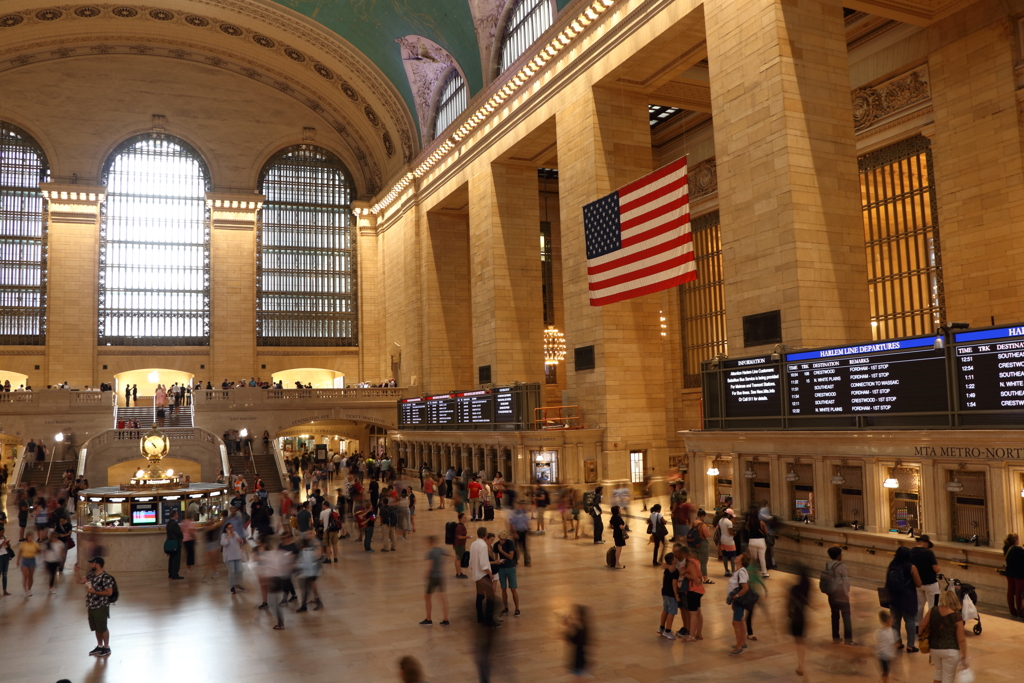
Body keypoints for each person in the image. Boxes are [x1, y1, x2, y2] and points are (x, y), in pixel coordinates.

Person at [919, 589, 969, 683]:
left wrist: (921, 637)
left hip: (934, 648)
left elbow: (922, 625)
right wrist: (964, 655)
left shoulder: (932, 610)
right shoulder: (956, 617)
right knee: (948, 678)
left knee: (938, 672)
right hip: (951, 650)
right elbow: (961, 639)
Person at [73, 557, 115, 657]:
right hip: (91, 605)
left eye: (92, 563)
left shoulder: (106, 577)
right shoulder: (91, 576)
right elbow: (79, 581)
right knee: (96, 627)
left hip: (101, 606)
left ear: (97, 564)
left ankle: (106, 647)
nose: (90, 565)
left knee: (102, 627)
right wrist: (76, 572)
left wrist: (95, 592)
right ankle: (99, 646)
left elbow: (109, 592)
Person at [886, 545, 921, 652]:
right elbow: (918, 583)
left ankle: (897, 642)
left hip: (894, 596)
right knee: (910, 620)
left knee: (895, 621)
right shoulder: (911, 567)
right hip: (907, 597)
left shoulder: (891, 566)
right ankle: (910, 645)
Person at [825, 546, 856, 645]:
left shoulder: (827, 565)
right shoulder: (841, 565)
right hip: (841, 593)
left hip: (831, 594)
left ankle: (835, 637)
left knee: (834, 615)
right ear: (838, 556)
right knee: (846, 616)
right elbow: (845, 580)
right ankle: (848, 639)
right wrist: (847, 591)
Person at [420, 535, 450, 626]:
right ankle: (446, 619)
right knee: (442, 598)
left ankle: (428, 618)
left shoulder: (430, 552)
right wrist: (444, 565)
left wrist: (426, 575)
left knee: (427, 597)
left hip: (433, 577)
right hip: (441, 575)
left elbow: (430, 567)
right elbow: (452, 556)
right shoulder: (441, 550)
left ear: (430, 542)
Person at [469, 526, 496, 626]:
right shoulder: (483, 546)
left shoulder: (473, 544)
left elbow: (471, 561)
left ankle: (480, 617)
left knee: (480, 596)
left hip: (476, 575)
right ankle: (489, 619)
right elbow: (484, 563)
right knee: (490, 597)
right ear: (486, 535)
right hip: (483, 575)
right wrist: (490, 574)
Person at [911, 534, 941, 623]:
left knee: (919, 606)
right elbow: (936, 569)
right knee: (933, 606)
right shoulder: (929, 553)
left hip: (917, 583)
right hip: (930, 583)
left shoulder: (911, 551)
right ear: (926, 543)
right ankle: (931, 625)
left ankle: (918, 626)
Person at [727, 550, 753, 655]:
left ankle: (738, 647)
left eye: (739, 557)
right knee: (740, 621)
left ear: (741, 562)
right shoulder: (739, 571)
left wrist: (735, 596)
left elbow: (745, 588)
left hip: (739, 600)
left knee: (736, 623)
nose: (736, 557)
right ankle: (743, 642)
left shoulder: (741, 572)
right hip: (737, 601)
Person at [788, 566, 811, 675]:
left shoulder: (794, 589)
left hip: (794, 619)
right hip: (803, 618)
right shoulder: (806, 590)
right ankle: (801, 664)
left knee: (798, 643)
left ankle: (800, 665)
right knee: (802, 643)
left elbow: (789, 605)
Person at [494, 529, 520, 616]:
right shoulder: (496, 545)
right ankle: (506, 607)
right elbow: (496, 558)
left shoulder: (510, 543)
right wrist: (498, 562)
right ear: (499, 538)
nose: (503, 541)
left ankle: (517, 608)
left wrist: (501, 551)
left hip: (510, 568)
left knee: (513, 589)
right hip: (501, 569)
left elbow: (511, 556)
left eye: (504, 539)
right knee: (503, 588)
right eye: (501, 539)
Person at [683, 545, 705, 642]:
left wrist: (683, 573)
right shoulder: (696, 561)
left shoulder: (690, 563)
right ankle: (698, 633)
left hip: (693, 589)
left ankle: (691, 636)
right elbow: (699, 575)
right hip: (699, 589)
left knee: (693, 614)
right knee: (698, 612)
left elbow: (694, 576)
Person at [658, 553, 681, 640]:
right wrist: (677, 595)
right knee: (672, 612)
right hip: (671, 594)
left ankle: (661, 627)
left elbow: (664, 578)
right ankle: (668, 631)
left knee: (665, 609)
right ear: (673, 561)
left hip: (664, 591)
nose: (676, 558)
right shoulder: (674, 571)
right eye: (675, 557)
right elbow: (674, 584)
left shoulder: (667, 569)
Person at [564, 604, 589, 680]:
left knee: (578, 678)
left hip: (578, 658)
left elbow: (570, 640)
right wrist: (570, 623)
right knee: (580, 677)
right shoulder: (585, 627)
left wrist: (567, 626)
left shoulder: (580, 630)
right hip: (583, 656)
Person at [221, 522, 247, 593]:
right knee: (231, 571)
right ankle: (232, 586)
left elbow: (240, 541)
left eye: (232, 527)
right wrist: (229, 536)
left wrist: (240, 540)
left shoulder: (235, 533)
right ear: (226, 529)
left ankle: (239, 584)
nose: (231, 529)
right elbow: (224, 543)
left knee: (239, 570)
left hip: (237, 555)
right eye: (229, 528)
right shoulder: (224, 535)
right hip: (229, 556)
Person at [746, 506, 770, 578]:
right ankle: (764, 572)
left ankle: (753, 572)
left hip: (752, 541)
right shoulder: (761, 522)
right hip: (761, 541)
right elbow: (766, 532)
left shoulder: (749, 523)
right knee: (762, 558)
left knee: (753, 558)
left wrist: (748, 520)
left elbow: (746, 528)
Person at [1003, 533, 1024, 616]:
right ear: (1015, 540)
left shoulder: (1005, 547)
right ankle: (1020, 612)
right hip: (1019, 574)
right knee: (1019, 593)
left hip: (1009, 573)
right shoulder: (1017, 549)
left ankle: (1012, 611)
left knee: (1011, 592)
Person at [875, 610, 897, 683]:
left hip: (883, 654)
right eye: (892, 620)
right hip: (884, 655)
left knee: (886, 670)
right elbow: (892, 643)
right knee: (886, 671)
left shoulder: (878, 632)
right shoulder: (891, 632)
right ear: (888, 621)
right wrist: (895, 645)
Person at [693, 509, 714, 584]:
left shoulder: (693, 523)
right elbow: (707, 535)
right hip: (702, 544)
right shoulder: (702, 525)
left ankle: (696, 578)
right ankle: (705, 579)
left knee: (695, 563)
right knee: (703, 563)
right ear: (702, 516)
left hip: (693, 544)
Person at [17, 531, 39, 595]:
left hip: (32, 560)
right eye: (31, 536)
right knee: (25, 576)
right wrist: (18, 561)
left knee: (30, 576)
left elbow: (38, 551)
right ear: (27, 537)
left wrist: (38, 551)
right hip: (25, 560)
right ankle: (25, 589)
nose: (32, 538)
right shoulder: (23, 544)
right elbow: (20, 552)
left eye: (33, 536)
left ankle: (29, 589)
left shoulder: (35, 544)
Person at [510, 501, 532, 567]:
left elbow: (526, 522)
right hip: (517, 532)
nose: (522, 507)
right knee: (515, 548)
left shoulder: (524, 513)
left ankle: (527, 562)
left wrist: (528, 529)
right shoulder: (515, 514)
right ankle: (514, 561)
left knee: (524, 548)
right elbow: (513, 524)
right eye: (520, 505)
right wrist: (515, 533)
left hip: (523, 532)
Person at [165, 508, 184, 579]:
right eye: (177, 514)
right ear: (174, 515)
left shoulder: (169, 523)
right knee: (176, 559)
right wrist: (181, 536)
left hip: (170, 543)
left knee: (171, 558)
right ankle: (175, 574)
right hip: (176, 543)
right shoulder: (174, 524)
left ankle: (170, 573)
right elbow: (179, 533)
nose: (178, 515)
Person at [718, 508, 737, 577]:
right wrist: (735, 533)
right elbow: (730, 532)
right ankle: (733, 571)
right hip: (729, 540)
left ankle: (726, 570)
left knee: (725, 555)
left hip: (722, 539)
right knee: (732, 556)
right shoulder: (729, 522)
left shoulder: (721, 520)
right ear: (729, 515)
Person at [453, 513, 468, 578]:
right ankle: (459, 573)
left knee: (458, 559)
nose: (465, 519)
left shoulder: (461, 525)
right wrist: (467, 537)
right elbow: (458, 536)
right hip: (459, 545)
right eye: (464, 517)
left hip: (459, 544)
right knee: (458, 559)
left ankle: (459, 572)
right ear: (460, 519)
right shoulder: (459, 526)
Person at [0, 525, 12, 596]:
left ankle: (5, 590)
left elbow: (7, 547)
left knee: (5, 574)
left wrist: (7, 543)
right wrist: (2, 542)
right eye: (1, 532)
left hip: (5, 556)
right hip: (0, 557)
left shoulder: (4, 537)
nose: (3, 534)